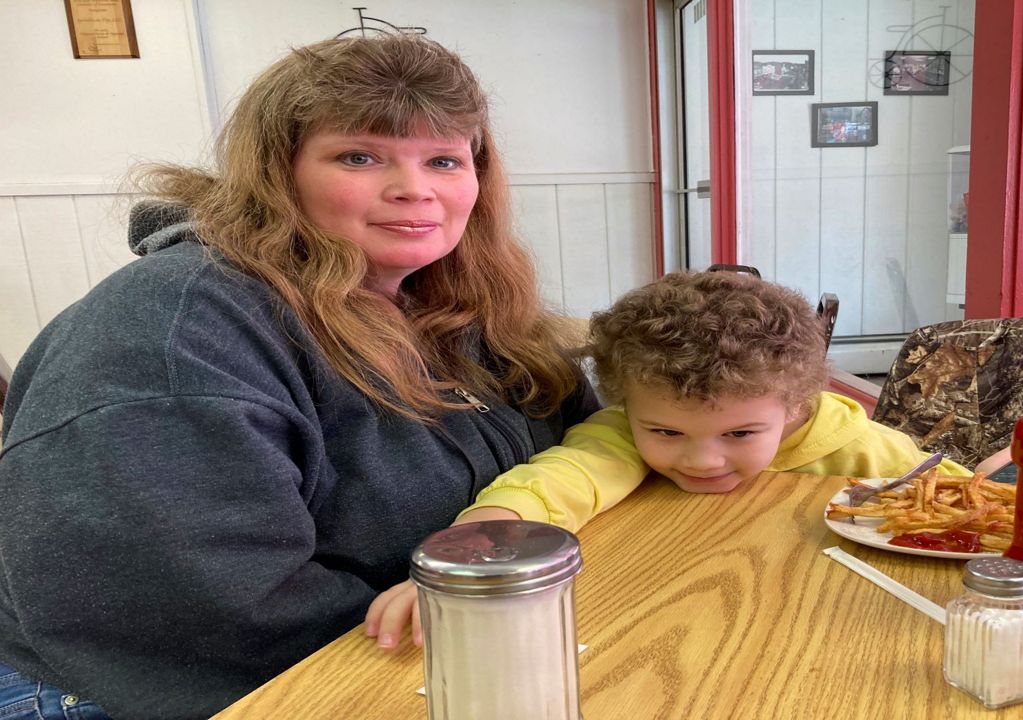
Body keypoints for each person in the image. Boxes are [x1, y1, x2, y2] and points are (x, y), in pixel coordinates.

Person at [0, 35, 598, 720]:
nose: (415, 189)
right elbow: (201, 613)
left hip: (451, 640)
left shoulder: (451, 302)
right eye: (359, 156)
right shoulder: (175, 328)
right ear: (277, 175)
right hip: (131, 691)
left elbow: (583, 439)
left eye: (443, 159)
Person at [365, 270, 969, 649]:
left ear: (795, 407)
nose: (702, 459)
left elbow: (973, 502)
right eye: (666, 431)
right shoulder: (620, 434)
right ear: (625, 403)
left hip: (835, 633)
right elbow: (553, 483)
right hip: (670, 626)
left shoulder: (865, 449)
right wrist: (466, 561)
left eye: (739, 433)